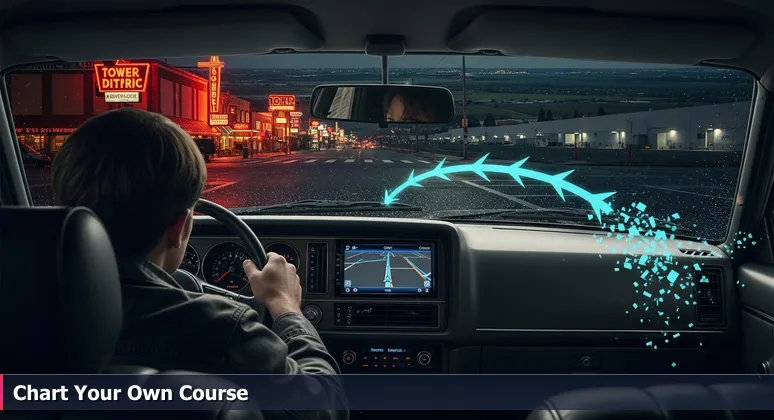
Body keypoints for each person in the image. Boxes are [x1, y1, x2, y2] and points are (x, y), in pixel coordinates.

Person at [51, 108, 346, 419]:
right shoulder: (223, 329)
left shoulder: (16, 307)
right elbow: (325, 408)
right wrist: (285, 305)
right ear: (179, 228)